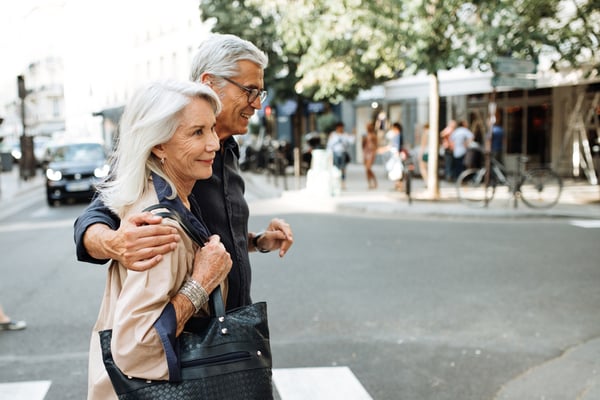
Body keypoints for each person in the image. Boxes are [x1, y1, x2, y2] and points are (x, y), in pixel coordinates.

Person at [73, 34, 294, 313]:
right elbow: (92, 218)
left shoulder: (228, 151)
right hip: (187, 340)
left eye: (259, 93)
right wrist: (114, 243)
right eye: (248, 91)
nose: (256, 104)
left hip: (234, 327)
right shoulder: (166, 148)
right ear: (208, 83)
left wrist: (257, 241)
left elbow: (209, 234)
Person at [87, 80, 232, 398]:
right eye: (197, 132)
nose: (213, 144)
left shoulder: (168, 196)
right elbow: (138, 347)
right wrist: (202, 283)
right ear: (159, 145)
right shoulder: (160, 226)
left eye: (211, 129)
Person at [326, 121, 355, 189]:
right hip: (335, 153)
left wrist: (353, 133)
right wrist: (329, 154)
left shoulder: (345, 134)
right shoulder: (333, 135)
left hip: (343, 153)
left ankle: (342, 183)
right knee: (335, 168)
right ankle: (336, 182)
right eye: (340, 127)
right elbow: (329, 145)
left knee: (343, 169)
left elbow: (351, 141)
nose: (341, 129)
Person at [378, 122, 404, 190]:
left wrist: (383, 149)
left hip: (396, 155)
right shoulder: (399, 135)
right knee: (397, 170)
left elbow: (394, 146)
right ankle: (398, 185)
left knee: (397, 170)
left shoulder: (397, 136)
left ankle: (399, 185)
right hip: (396, 155)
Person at [361, 121, 378, 189]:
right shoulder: (365, 135)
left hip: (371, 152)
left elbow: (376, 145)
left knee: (368, 168)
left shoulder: (374, 135)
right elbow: (362, 145)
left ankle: (374, 181)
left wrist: (374, 152)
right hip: (366, 152)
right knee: (366, 169)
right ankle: (369, 183)